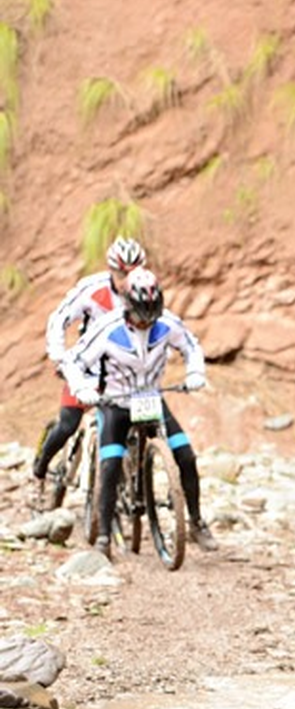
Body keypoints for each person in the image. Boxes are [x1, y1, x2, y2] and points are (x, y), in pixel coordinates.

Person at [60, 267, 217, 557]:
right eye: (139, 316)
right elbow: (73, 361)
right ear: (127, 306)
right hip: (115, 403)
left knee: (185, 455)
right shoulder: (107, 329)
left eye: (151, 317)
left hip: (151, 398)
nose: (145, 323)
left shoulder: (167, 323)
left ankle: (196, 522)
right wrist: (81, 387)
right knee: (110, 464)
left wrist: (195, 372)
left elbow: (191, 346)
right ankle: (104, 537)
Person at [28, 237, 147, 511]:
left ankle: (132, 487)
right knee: (68, 425)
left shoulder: (148, 291)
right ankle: (39, 471)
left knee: (139, 426)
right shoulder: (91, 289)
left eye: (134, 273)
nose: (128, 280)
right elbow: (59, 319)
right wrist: (59, 356)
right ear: (111, 270)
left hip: (124, 376)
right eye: (122, 274)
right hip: (87, 372)